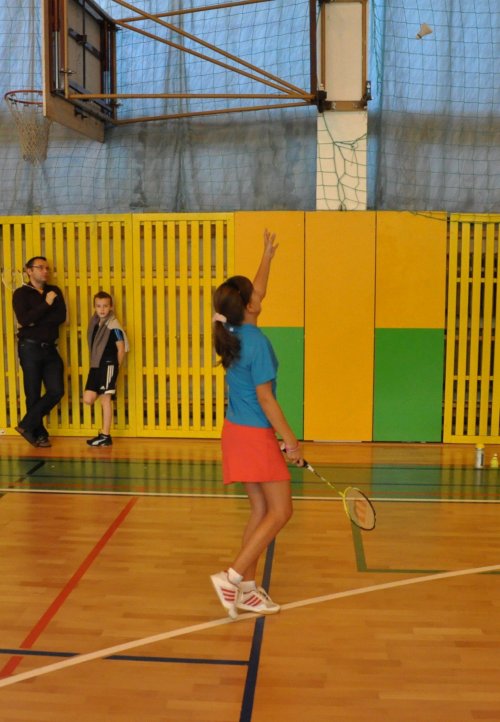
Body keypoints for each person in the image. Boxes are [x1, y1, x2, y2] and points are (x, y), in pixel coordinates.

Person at [210, 229, 303, 618]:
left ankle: (247, 592)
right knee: (281, 512)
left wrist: (267, 256)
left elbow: (256, 290)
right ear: (249, 306)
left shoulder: (231, 328)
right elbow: (267, 399)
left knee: (261, 510)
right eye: (254, 295)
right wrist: (291, 441)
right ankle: (231, 577)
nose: (259, 295)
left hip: (234, 432)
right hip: (254, 435)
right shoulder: (258, 342)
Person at [12, 256, 67, 448]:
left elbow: (60, 317)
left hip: (50, 348)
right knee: (33, 393)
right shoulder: (21, 294)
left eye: (47, 268)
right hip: (29, 348)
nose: (45, 271)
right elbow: (24, 320)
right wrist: (47, 304)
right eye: (41, 267)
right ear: (29, 271)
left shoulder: (54, 291)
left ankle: (26, 425)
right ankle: (40, 434)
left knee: (56, 390)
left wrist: (35, 319)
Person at [83, 291, 128, 447]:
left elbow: (121, 349)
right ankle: (103, 433)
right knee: (88, 399)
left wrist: (115, 369)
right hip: (96, 365)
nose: (102, 309)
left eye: (105, 306)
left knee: (105, 399)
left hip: (108, 365)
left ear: (111, 307)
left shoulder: (114, 326)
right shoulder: (95, 323)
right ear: (95, 307)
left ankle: (105, 435)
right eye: (99, 306)